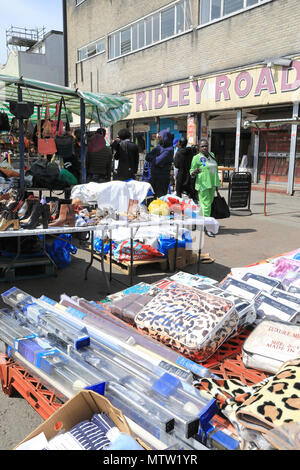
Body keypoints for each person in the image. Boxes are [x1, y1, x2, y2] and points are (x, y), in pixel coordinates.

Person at [190, 139, 220, 235]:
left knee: (205, 206)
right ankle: (208, 228)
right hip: (203, 184)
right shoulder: (196, 157)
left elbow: (214, 169)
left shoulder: (212, 155)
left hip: (212, 183)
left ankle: (196, 222)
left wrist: (216, 185)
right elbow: (191, 171)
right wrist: (195, 171)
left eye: (206, 146)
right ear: (199, 148)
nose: (204, 148)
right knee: (206, 206)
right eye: (202, 146)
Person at [145, 130, 174, 198]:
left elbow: (157, 161)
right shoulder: (158, 147)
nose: (158, 139)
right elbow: (147, 157)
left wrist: (153, 159)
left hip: (162, 179)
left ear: (165, 138)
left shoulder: (169, 149)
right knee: (151, 198)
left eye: (160, 137)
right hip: (154, 177)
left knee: (160, 198)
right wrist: (155, 160)